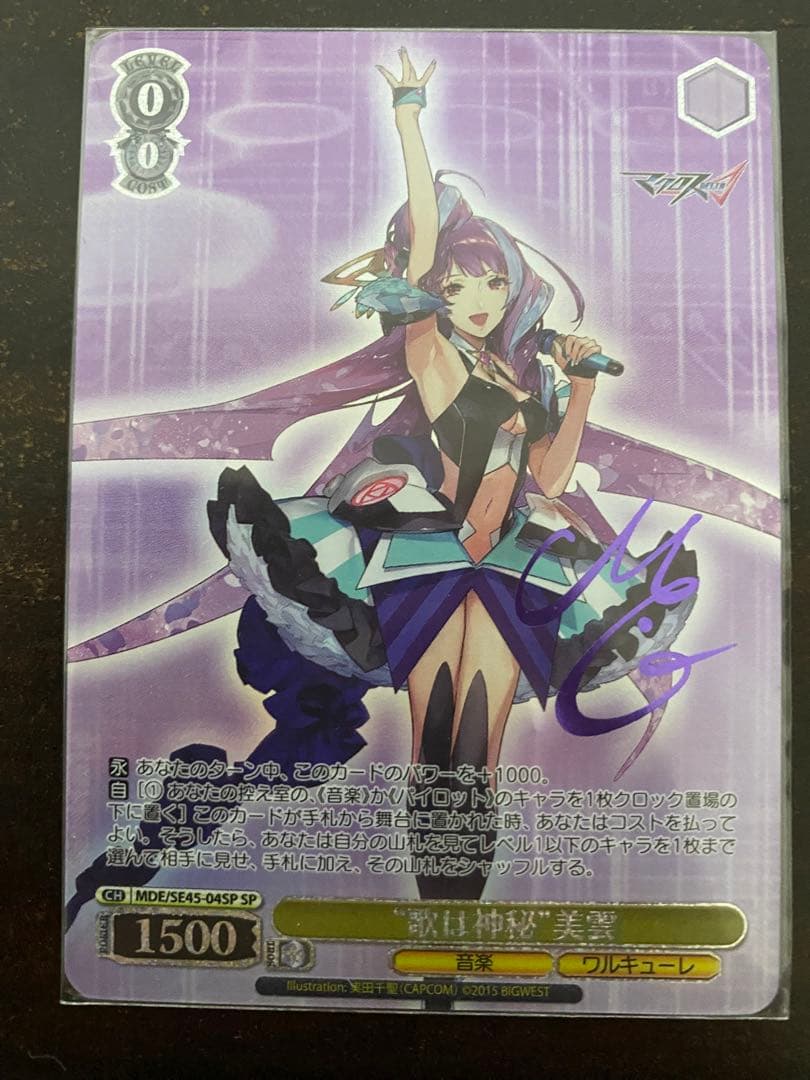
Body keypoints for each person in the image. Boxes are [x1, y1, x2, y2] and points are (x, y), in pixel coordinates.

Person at [206, 48, 697, 900]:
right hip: (432, 555)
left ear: (512, 291)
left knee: (483, 745)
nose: (478, 296)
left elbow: (551, 477)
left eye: (492, 281)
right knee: (438, 735)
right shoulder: (433, 354)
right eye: (459, 282)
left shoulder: (524, 377)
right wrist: (408, 115)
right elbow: (425, 234)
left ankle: (460, 908)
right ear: (436, 288)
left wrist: (578, 386)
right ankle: (435, 902)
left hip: (512, 560)